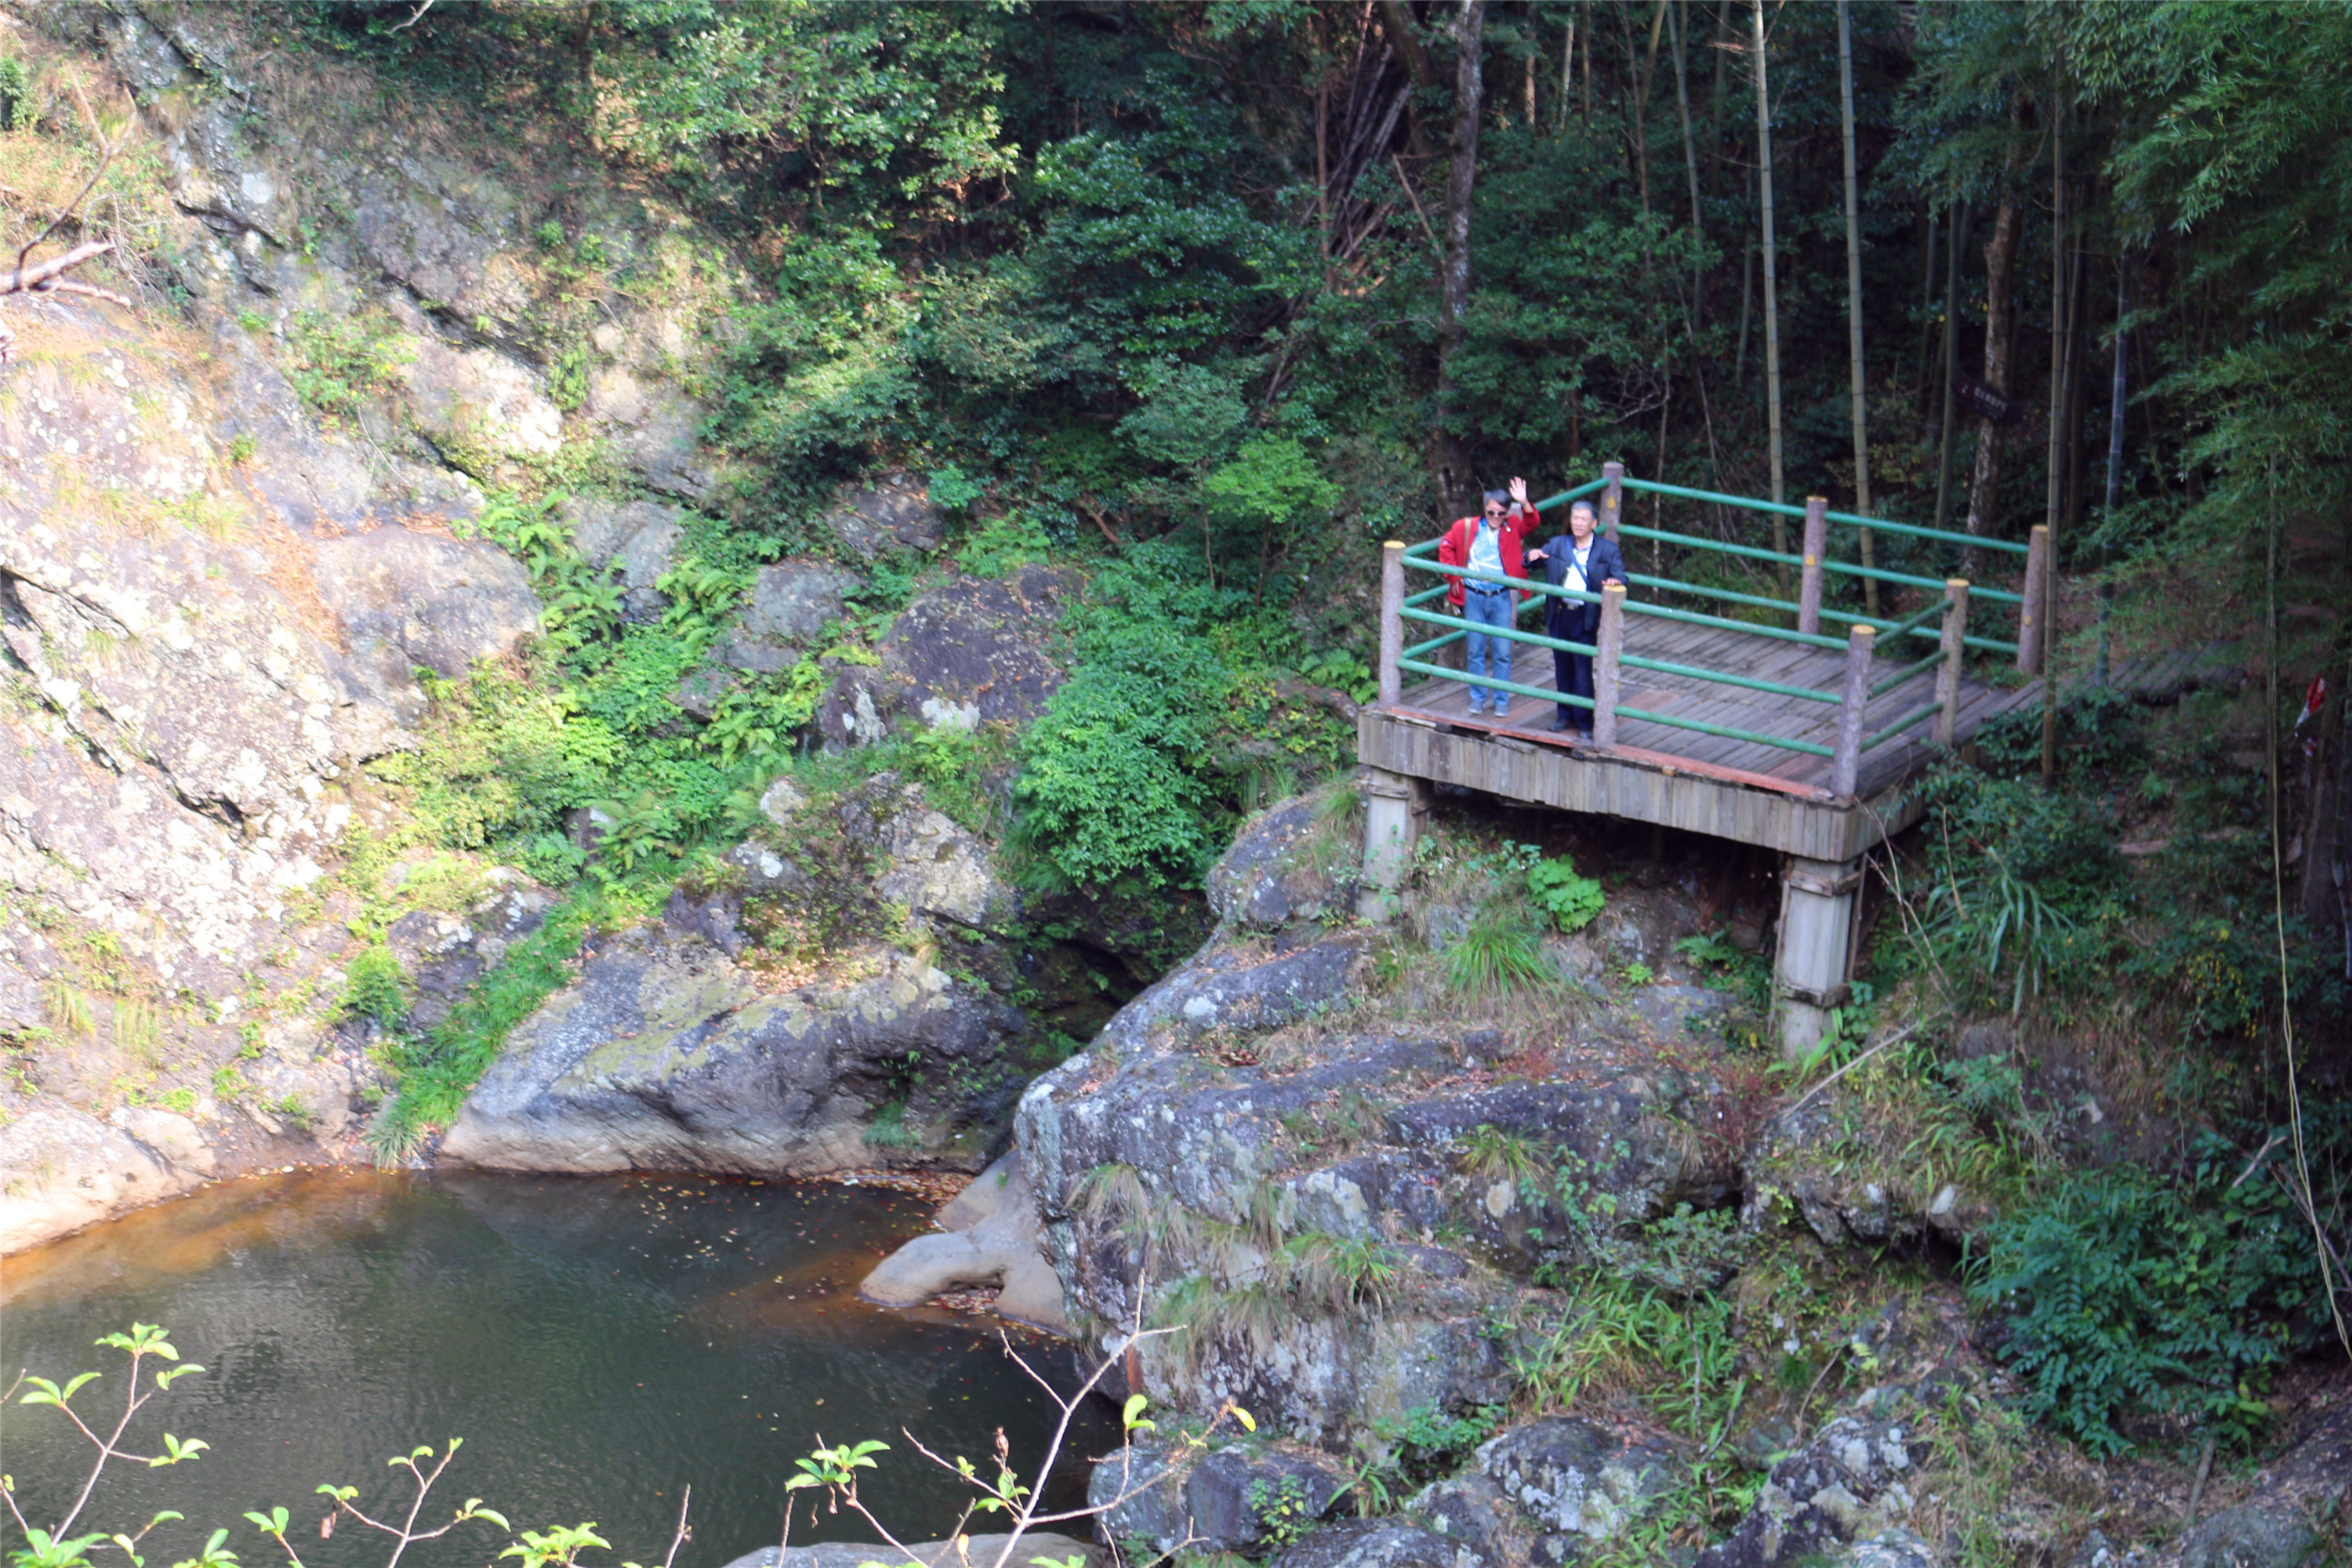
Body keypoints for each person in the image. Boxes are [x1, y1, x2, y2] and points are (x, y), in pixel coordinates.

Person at [1436, 477, 1539, 718]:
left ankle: (1501, 699)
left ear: (1505, 514)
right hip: (1473, 595)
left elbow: (1533, 523)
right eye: (1491, 511)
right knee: (1476, 650)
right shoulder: (1467, 527)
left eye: (1500, 513)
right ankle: (1478, 698)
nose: (1495, 516)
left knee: (1503, 651)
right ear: (1484, 509)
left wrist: (1523, 502)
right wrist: (1454, 578)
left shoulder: (1512, 527)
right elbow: (1445, 548)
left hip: (1502, 597)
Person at [1526, 499, 1626, 738]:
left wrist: (1615, 580)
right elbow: (1534, 562)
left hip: (1586, 616)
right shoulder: (1559, 544)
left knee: (1582, 670)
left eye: (1583, 519)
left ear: (1594, 523)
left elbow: (1621, 574)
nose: (1578, 523)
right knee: (1563, 668)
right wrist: (1531, 556)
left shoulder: (1606, 549)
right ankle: (1564, 715)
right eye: (1575, 518)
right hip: (1560, 614)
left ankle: (1584, 722)